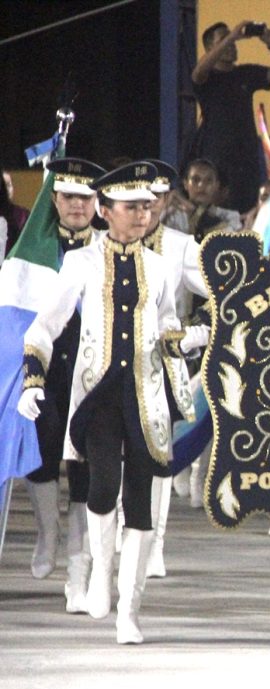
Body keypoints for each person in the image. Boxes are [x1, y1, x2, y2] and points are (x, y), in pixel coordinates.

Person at [18, 162, 205, 644]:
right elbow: (44, 327)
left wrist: (188, 339)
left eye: (147, 206)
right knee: (101, 488)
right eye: (131, 207)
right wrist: (33, 381)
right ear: (106, 211)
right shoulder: (80, 264)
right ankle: (101, 572)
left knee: (140, 499)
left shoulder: (161, 266)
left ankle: (130, 610)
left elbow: (165, 326)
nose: (142, 215)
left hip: (146, 396)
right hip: (97, 396)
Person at [21, 159, 103, 604]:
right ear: (54, 200)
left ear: (97, 202)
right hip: (45, 369)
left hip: (90, 371)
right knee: (42, 452)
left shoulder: (107, 249)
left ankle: (78, 570)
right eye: (68, 196)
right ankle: (46, 536)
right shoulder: (33, 247)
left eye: (85, 197)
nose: (76, 205)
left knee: (86, 472)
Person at [141, 159, 210, 579]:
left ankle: (154, 544)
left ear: (167, 200)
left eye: (154, 198)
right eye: (135, 199)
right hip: (105, 367)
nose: (144, 207)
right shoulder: (95, 245)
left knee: (158, 459)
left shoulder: (182, 245)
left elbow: (227, 295)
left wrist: (196, 336)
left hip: (164, 365)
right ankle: (110, 541)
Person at [190, 20, 270, 213]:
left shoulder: (245, 73)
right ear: (211, 47)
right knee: (215, 213)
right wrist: (232, 35)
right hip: (217, 157)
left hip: (246, 158)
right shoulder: (207, 77)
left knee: (246, 210)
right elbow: (197, 72)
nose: (232, 45)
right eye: (225, 40)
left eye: (234, 42)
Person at [162, 158, 243, 241]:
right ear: (185, 184)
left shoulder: (230, 216)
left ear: (216, 185)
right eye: (195, 180)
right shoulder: (172, 215)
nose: (201, 185)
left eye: (208, 180)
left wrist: (194, 211)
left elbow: (229, 242)